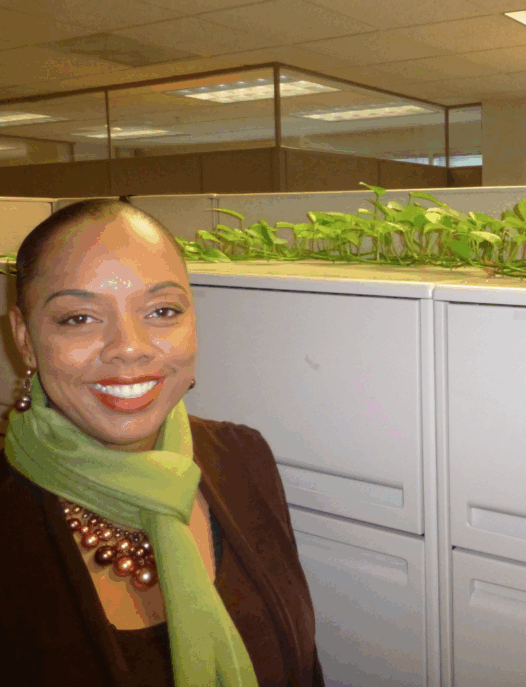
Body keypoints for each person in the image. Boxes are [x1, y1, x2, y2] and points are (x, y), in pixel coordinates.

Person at [1, 199, 324, 686]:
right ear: (24, 339)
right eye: (79, 319)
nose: (128, 346)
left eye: (162, 310)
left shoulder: (243, 459)